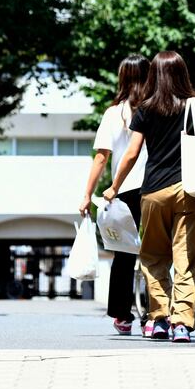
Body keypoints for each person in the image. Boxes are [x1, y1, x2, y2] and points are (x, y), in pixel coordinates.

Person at [103, 51, 195, 344]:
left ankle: (158, 319)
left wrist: (114, 186)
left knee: (154, 256)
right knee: (185, 259)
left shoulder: (146, 108)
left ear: (154, 75)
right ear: (182, 73)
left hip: (154, 192)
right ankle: (181, 323)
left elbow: (132, 153)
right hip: (189, 192)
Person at [78, 54, 149, 336]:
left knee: (124, 253)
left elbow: (101, 158)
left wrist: (87, 194)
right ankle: (159, 313)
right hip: (158, 185)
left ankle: (123, 315)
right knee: (158, 252)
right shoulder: (159, 107)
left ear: (122, 78)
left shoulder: (114, 114)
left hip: (125, 188)